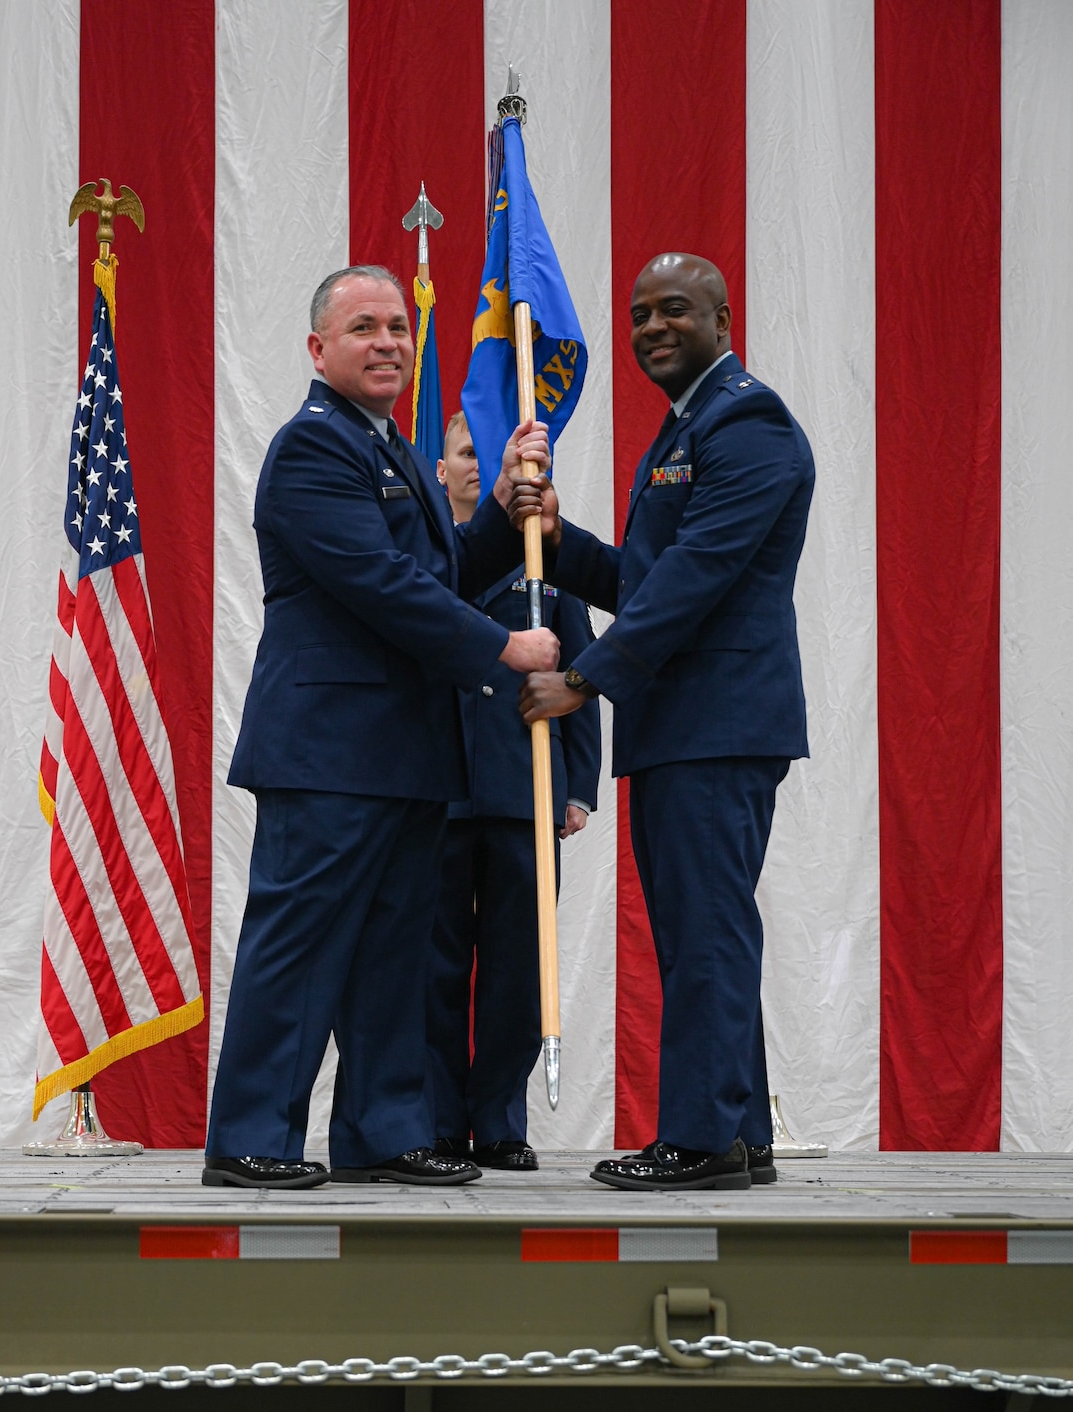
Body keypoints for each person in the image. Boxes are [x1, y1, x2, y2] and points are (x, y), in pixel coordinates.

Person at [205, 266, 558, 1191]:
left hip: (403, 753)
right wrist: (503, 647)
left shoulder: (395, 449)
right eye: (365, 327)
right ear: (319, 349)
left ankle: (382, 1132)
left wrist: (507, 510)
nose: (391, 342)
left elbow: (431, 575)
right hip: (329, 750)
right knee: (301, 946)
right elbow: (380, 586)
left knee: (393, 960)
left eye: (400, 326)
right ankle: (251, 1136)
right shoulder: (313, 448)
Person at [512, 253, 814, 1191]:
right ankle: (739, 1130)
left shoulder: (747, 421)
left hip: (716, 723)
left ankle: (700, 1139)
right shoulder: (692, 425)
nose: (651, 328)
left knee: (707, 931)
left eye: (674, 310)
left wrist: (585, 681)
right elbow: (651, 577)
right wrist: (563, 546)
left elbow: (696, 579)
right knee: (701, 930)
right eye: (640, 314)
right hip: (689, 723)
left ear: (725, 317)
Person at [427, 413, 601, 1169]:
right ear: (441, 469)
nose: (475, 468)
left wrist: (578, 788)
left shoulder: (541, 555)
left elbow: (581, 680)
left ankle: (498, 1120)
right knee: (433, 968)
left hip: (521, 785)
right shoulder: (426, 558)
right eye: (465, 455)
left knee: (518, 969)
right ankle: (435, 1120)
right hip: (438, 784)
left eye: (486, 457)